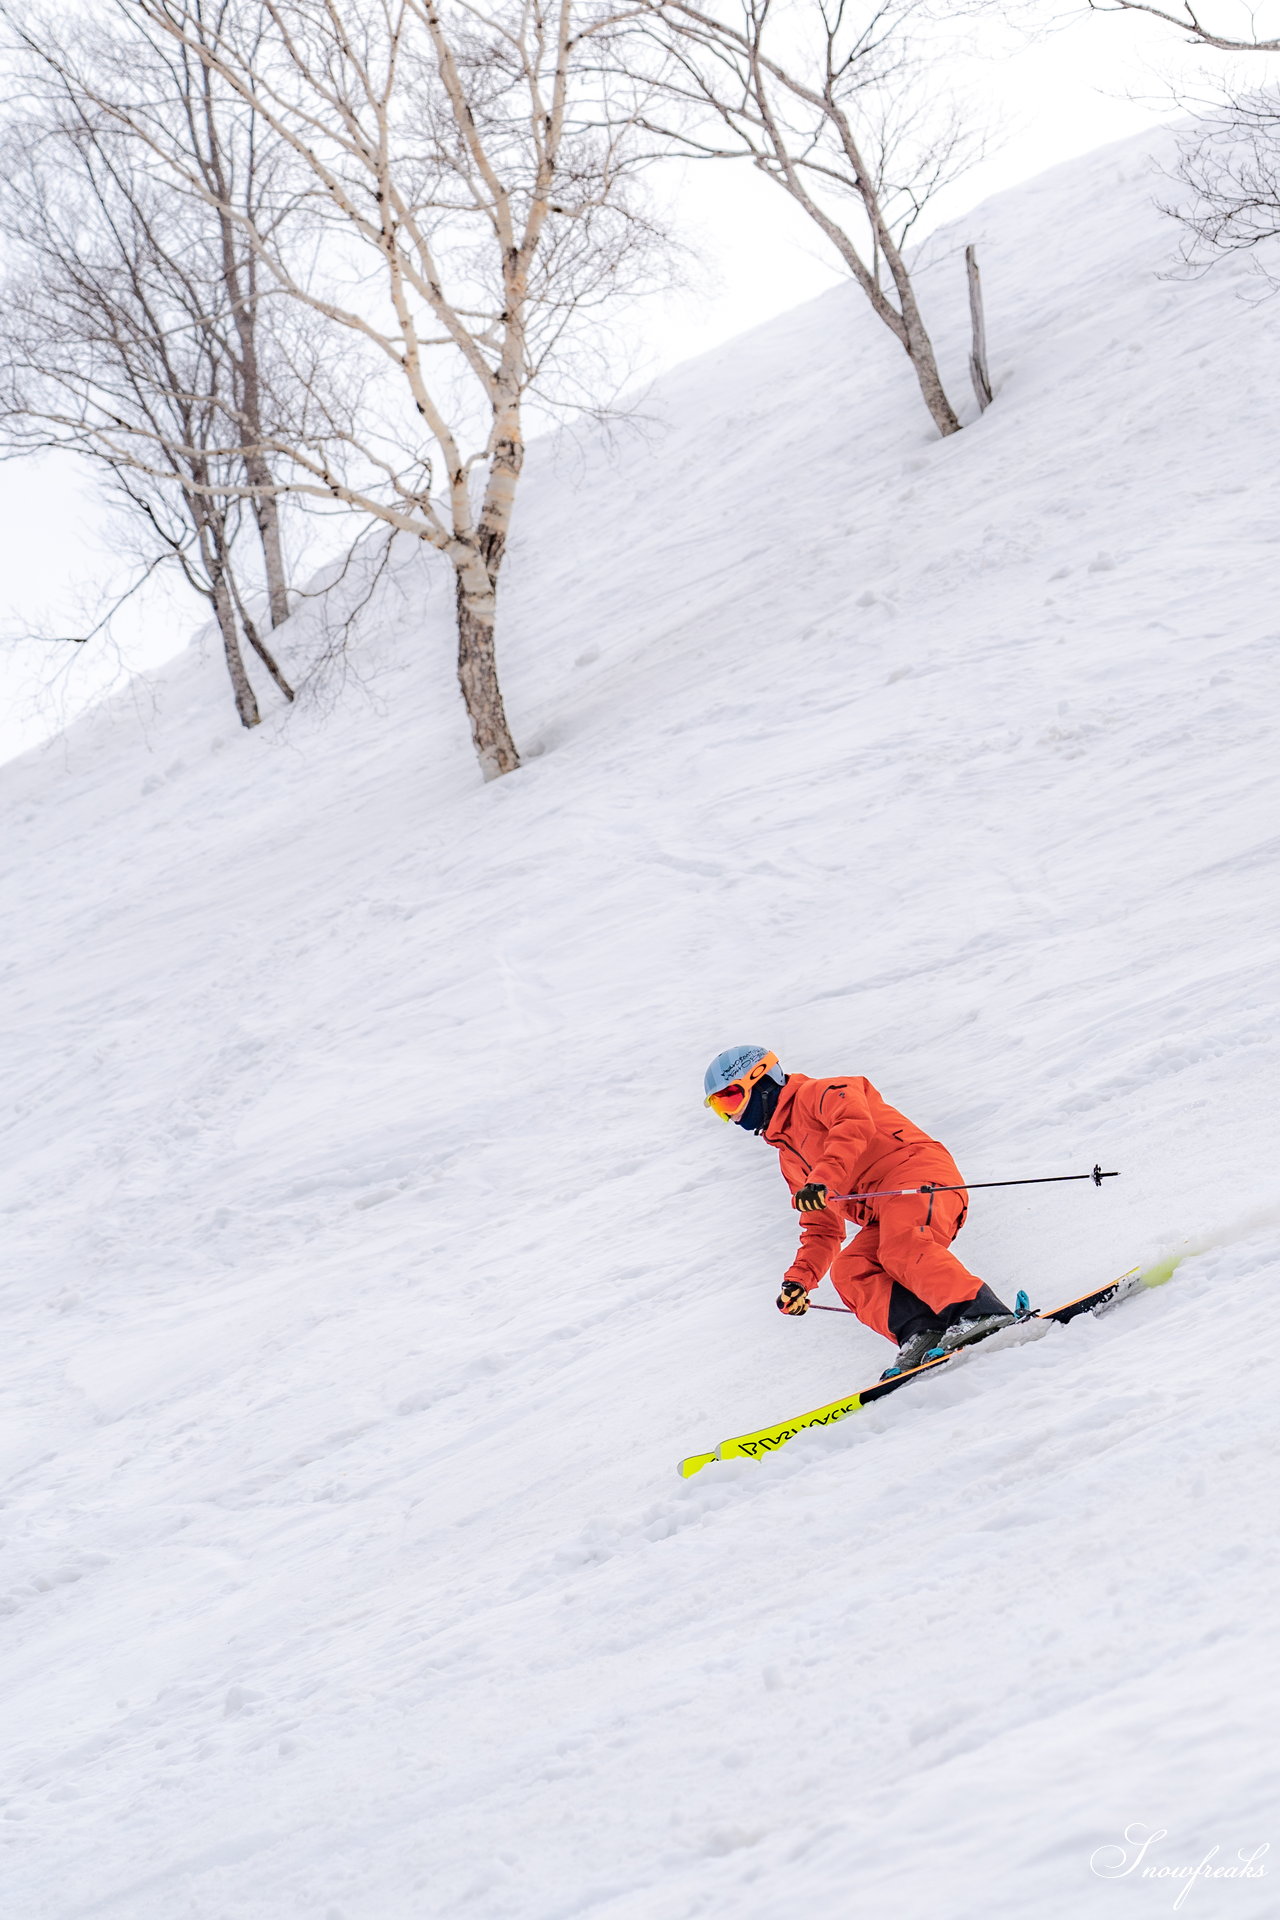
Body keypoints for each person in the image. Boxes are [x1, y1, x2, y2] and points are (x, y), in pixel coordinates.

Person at [703, 1045, 1012, 1377]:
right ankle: (921, 1333)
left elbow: (853, 1123)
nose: (732, 1115)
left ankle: (980, 1313)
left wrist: (823, 1178)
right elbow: (822, 1228)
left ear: (761, 1079)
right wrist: (800, 1280)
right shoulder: (790, 1160)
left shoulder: (821, 1092)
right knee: (850, 1268)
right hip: (885, 1211)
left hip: (917, 1176)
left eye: (732, 1098)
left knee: (901, 1247)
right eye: (721, 1108)